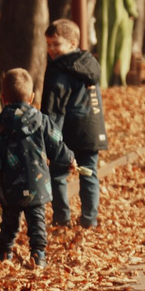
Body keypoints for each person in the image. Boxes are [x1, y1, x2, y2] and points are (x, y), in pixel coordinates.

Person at [0, 66, 73, 266]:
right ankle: (38, 254)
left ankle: (4, 252)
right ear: (31, 97)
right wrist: (69, 159)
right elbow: (56, 145)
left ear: (3, 98)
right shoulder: (42, 121)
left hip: (10, 185)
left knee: (10, 221)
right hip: (36, 184)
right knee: (37, 220)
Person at [40, 18, 108, 230]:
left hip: (67, 133)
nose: (51, 49)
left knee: (58, 175)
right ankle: (90, 219)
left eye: (56, 44)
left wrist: (50, 140)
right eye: (49, 44)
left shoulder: (58, 70)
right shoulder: (90, 63)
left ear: (72, 44)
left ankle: (62, 219)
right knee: (89, 173)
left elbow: (54, 109)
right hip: (92, 131)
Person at [95, 0, 138, 85]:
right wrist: (133, 14)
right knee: (122, 50)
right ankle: (118, 77)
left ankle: (104, 80)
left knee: (105, 50)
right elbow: (129, 1)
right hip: (122, 21)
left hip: (104, 21)